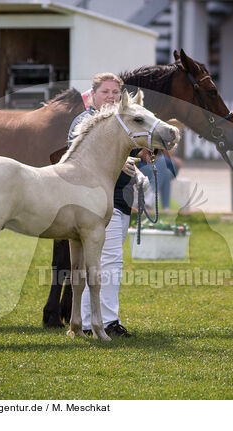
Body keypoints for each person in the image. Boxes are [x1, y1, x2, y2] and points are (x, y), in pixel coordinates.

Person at [68, 72, 149, 337]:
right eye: (106, 92)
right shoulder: (85, 121)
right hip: (97, 202)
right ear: (92, 95)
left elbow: (137, 148)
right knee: (106, 261)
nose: (112, 97)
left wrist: (145, 154)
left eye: (116, 93)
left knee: (107, 261)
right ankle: (104, 322)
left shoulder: (122, 123)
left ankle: (94, 321)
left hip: (119, 199)